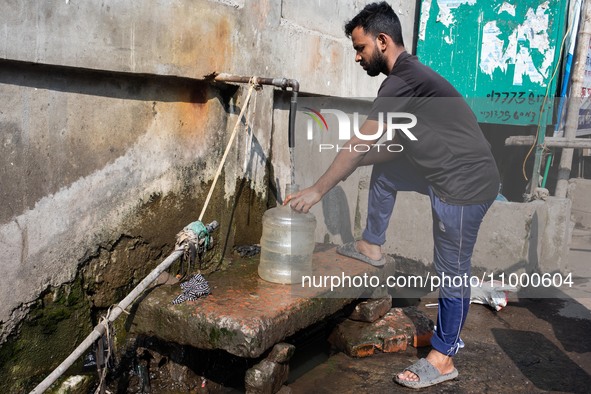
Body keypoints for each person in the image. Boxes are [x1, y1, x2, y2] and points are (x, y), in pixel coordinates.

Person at [285, 1, 500, 389]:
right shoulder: (409, 81)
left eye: (360, 47)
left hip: (465, 185)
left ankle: (444, 355)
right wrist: (359, 160)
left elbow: (359, 141)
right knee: (386, 170)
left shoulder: (402, 80)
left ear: (382, 41)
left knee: (451, 268)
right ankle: (371, 246)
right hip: (441, 170)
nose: (356, 56)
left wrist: (319, 188)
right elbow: (390, 148)